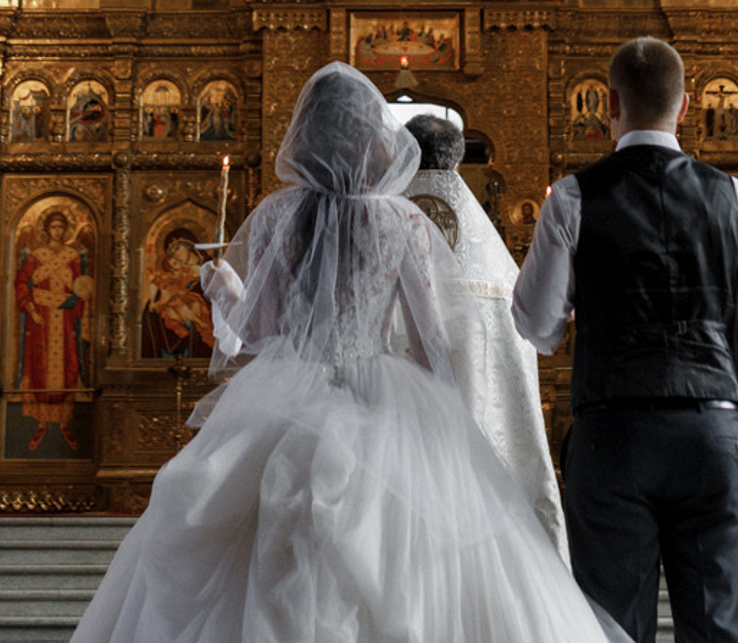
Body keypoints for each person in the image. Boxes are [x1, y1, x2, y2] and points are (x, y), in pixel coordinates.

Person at [70, 63, 628, 643]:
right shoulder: (402, 221)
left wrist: (225, 292)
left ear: (306, 134)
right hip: (383, 392)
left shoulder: (276, 215)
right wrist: (450, 427)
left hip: (284, 390)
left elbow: (256, 335)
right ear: (373, 140)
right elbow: (430, 337)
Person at [514, 36, 738, 643]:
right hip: (711, 433)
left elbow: (535, 328)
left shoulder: (571, 198)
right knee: (716, 632)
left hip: (612, 438)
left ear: (608, 103)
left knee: (613, 629)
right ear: (686, 106)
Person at [405, 113, 567, 556]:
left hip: (399, 450)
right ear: (457, 164)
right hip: (482, 466)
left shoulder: (383, 233)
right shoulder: (494, 262)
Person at [16, 210, 94, 450]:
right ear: (46, 230)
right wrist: (31, 307)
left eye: (61, 228)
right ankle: (41, 424)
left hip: (65, 316)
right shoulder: (36, 255)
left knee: (67, 364)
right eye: (54, 228)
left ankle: (64, 424)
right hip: (41, 318)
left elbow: (81, 287)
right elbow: (21, 282)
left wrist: (80, 305)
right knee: (40, 364)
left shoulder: (73, 256)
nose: (57, 232)